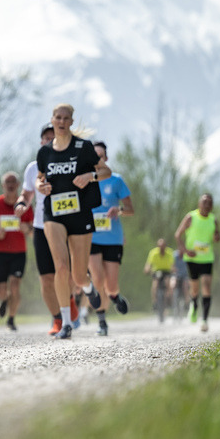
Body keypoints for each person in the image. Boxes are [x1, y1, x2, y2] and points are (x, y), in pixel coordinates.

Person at [35, 104, 110, 339]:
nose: (61, 121)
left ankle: (87, 288)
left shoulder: (83, 147)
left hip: (80, 214)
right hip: (53, 214)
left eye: (66, 118)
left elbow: (105, 171)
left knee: (78, 275)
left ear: (71, 121)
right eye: (57, 117)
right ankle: (66, 322)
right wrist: (41, 186)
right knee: (61, 266)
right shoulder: (45, 152)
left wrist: (90, 176)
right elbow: (39, 179)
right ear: (52, 119)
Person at [16, 124, 80, 336]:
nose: (50, 141)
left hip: (67, 224)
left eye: (54, 138)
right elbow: (26, 194)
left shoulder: (72, 162)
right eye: (46, 138)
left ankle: (69, 298)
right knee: (46, 278)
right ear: (41, 142)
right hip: (42, 226)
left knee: (67, 274)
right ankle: (57, 319)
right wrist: (21, 204)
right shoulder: (33, 168)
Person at [87, 141, 134, 335]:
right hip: (91, 237)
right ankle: (102, 321)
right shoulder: (84, 180)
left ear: (106, 158)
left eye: (100, 155)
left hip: (113, 238)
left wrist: (119, 210)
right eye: (94, 155)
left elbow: (131, 209)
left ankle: (115, 297)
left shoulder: (116, 180)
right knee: (97, 278)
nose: (97, 159)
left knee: (111, 284)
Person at [0, 171, 33, 331]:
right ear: (3, 186)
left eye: (13, 182)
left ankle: (11, 318)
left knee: (15, 286)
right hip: (0, 252)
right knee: (1, 290)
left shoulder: (25, 205)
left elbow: (34, 229)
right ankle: (3, 300)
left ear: (18, 185)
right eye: (7, 183)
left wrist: (28, 228)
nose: (10, 185)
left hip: (19, 252)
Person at [174, 193, 220, 333]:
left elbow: (216, 238)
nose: (207, 205)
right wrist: (184, 250)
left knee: (206, 286)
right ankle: (194, 305)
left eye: (209, 202)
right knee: (194, 289)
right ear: (199, 203)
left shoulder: (214, 220)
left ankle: (205, 320)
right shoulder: (190, 217)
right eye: (204, 201)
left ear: (212, 206)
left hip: (207, 258)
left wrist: (217, 237)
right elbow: (178, 234)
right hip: (192, 259)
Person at [143, 238, 175, 321]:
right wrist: (147, 269)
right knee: (155, 286)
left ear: (166, 246)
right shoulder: (153, 253)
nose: (161, 248)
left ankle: (169, 300)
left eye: (163, 246)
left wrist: (173, 269)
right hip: (157, 272)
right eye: (160, 247)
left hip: (166, 271)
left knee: (168, 284)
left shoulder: (170, 252)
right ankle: (155, 303)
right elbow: (148, 264)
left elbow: (172, 265)